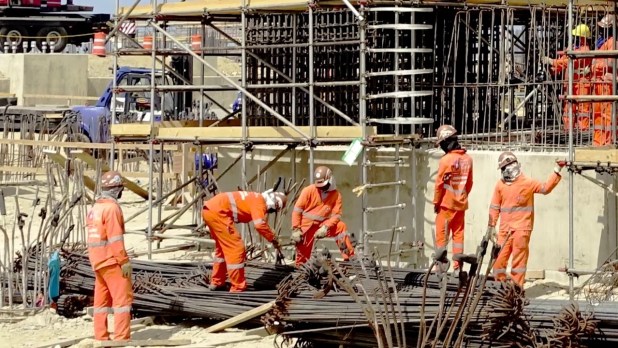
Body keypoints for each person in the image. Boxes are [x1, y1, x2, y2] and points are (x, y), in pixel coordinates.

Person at [488, 152, 564, 286]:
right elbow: (494, 206)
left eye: (505, 168)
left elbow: (545, 188)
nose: (503, 172)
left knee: (519, 262)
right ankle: (499, 287)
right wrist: (491, 226)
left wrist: (556, 170)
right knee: (498, 260)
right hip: (505, 230)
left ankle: (516, 289)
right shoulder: (500, 185)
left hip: (522, 230)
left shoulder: (527, 183)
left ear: (513, 166)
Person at [203, 190, 286, 292]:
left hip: (210, 210)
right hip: (219, 213)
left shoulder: (256, 197)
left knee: (222, 249)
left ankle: (217, 282)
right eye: (273, 210)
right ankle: (238, 287)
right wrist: (273, 238)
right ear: (274, 203)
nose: (269, 212)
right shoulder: (260, 202)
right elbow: (259, 225)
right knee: (236, 248)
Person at [86, 171, 132, 342]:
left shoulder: (95, 208)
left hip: (97, 260)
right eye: (121, 189)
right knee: (122, 301)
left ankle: (101, 336)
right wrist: (124, 261)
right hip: (112, 260)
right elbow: (115, 238)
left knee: (101, 302)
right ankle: (121, 338)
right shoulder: (112, 209)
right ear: (117, 189)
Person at [291, 166, 355, 267]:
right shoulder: (308, 190)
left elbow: (336, 215)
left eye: (324, 185)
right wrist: (296, 229)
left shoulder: (336, 195)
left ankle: (349, 257)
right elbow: (297, 210)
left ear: (331, 179)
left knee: (341, 227)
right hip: (307, 226)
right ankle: (301, 267)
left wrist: (326, 227)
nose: (321, 188)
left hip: (323, 225)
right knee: (302, 255)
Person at [432, 125, 473, 271]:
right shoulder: (468, 159)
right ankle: (458, 268)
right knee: (458, 238)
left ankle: (440, 269)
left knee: (442, 237)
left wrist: (436, 202)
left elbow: (439, 184)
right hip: (460, 205)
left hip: (446, 206)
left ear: (447, 141)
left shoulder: (446, 160)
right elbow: (469, 183)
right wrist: (461, 196)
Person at [542, 23, 593, 132]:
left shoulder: (585, 50)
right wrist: (552, 71)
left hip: (582, 83)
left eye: (577, 36)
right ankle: (568, 131)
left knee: (582, 109)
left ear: (582, 37)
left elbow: (569, 61)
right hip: (571, 82)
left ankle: (583, 132)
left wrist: (552, 61)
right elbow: (564, 59)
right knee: (569, 108)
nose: (574, 38)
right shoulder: (574, 48)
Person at [592, 14, 616, 146]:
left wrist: (595, 66)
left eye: (603, 28)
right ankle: (597, 142)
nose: (600, 30)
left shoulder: (613, 42)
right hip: (598, 82)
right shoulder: (602, 42)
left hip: (607, 82)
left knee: (607, 115)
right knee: (597, 114)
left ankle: (608, 142)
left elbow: (612, 63)